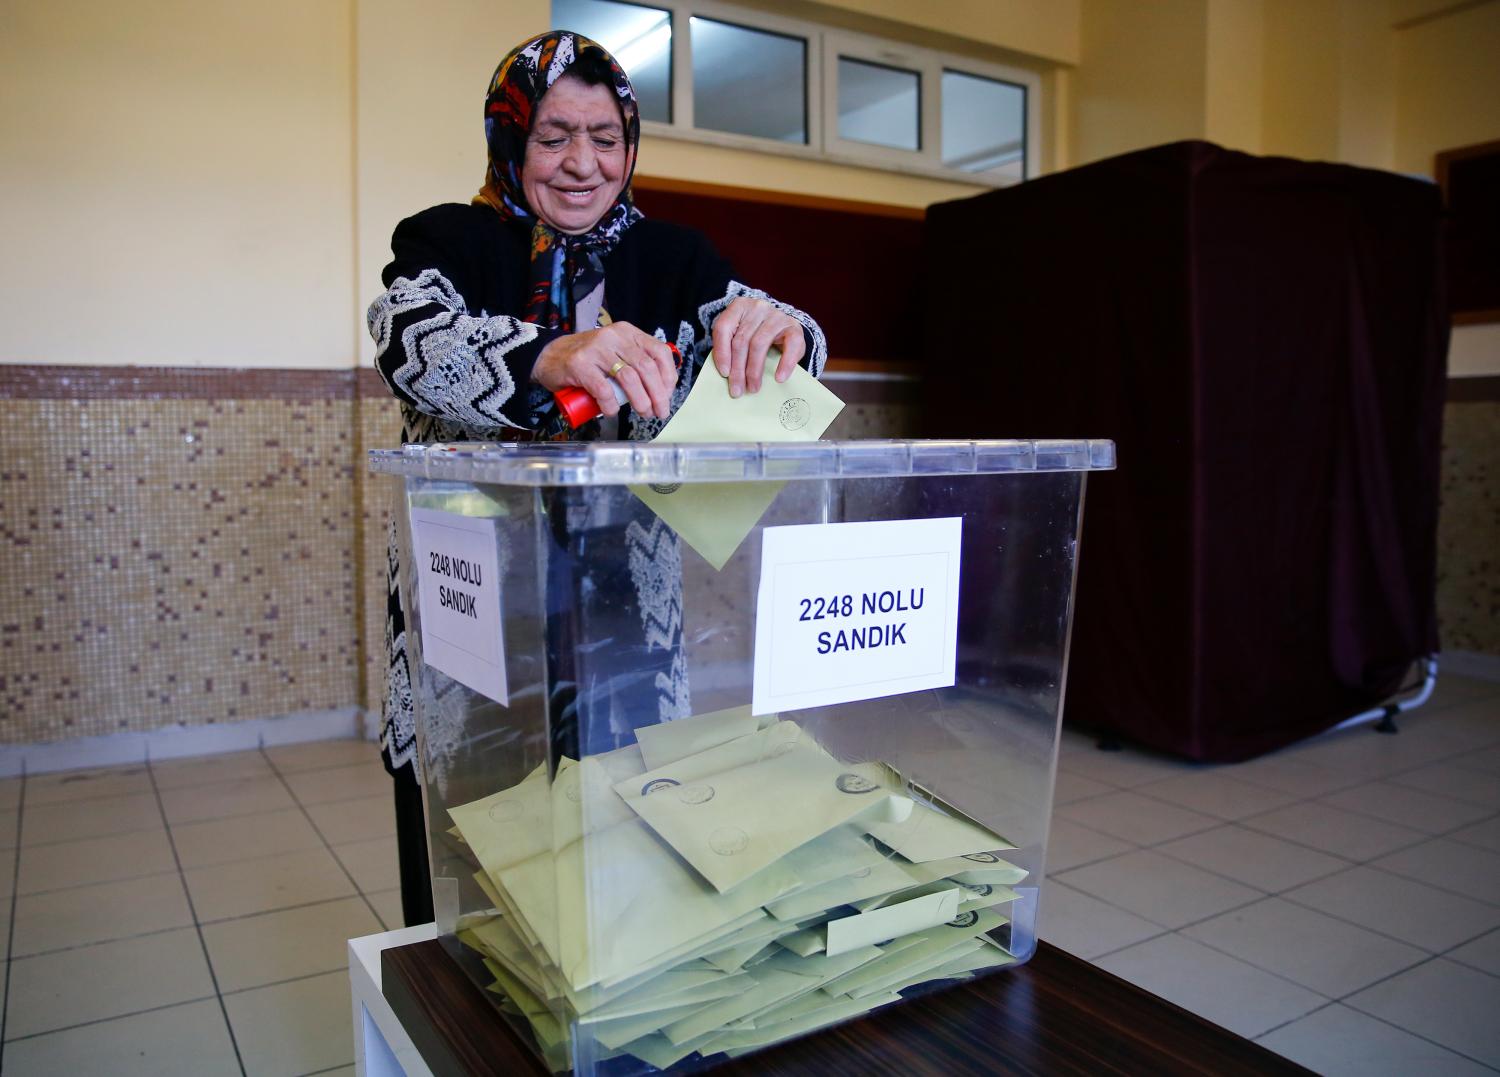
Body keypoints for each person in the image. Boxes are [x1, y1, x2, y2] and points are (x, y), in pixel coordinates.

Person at [367, 30, 827, 926]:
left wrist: (786, 332)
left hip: (623, 626)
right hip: (473, 618)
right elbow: (407, 339)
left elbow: (771, 351)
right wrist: (551, 355)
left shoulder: (672, 259)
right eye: (552, 136)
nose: (583, 163)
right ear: (511, 140)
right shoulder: (450, 241)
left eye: (606, 137)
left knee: (623, 880)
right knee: (470, 887)